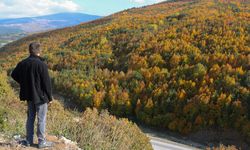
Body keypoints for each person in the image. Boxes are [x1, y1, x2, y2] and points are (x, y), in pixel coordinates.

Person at [11, 42, 54, 149]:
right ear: (39, 51)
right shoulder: (41, 64)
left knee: (30, 117)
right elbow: (46, 83)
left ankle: (29, 141)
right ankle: (41, 142)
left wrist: (24, 83)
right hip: (41, 97)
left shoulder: (23, 63)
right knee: (41, 119)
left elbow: (14, 75)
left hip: (29, 95)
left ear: (30, 51)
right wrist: (50, 97)